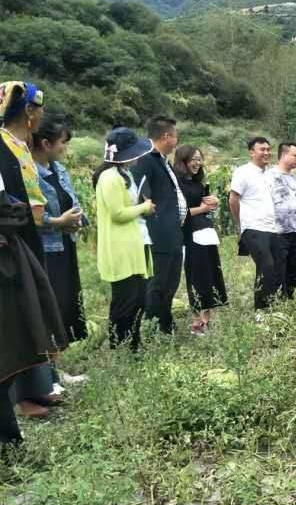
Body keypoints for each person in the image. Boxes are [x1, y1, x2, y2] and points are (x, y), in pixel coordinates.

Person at [0, 81, 68, 430]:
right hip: (14, 242)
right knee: (20, 316)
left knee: (35, 313)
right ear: (29, 111)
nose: (41, 115)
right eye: (38, 109)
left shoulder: (21, 146)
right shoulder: (3, 147)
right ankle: (22, 396)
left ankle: (39, 387)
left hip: (31, 237)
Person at [94, 128, 156, 351]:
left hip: (134, 244)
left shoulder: (124, 174)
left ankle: (133, 344)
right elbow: (117, 214)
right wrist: (144, 207)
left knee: (139, 299)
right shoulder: (109, 178)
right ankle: (120, 347)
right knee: (125, 301)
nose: (138, 156)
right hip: (120, 248)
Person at [32, 115, 88, 343]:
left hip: (66, 244)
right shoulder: (29, 174)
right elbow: (30, 215)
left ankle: (58, 365)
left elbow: (73, 203)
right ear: (46, 144)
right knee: (49, 304)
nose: (65, 148)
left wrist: (77, 219)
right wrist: (58, 222)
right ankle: (50, 370)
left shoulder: (60, 170)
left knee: (65, 301)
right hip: (46, 249)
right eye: (63, 142)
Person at [131, 116, 186, 334]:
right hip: (158, 233)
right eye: (175, 136)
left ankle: (165, 320)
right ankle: (154, 325)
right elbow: (139, 194)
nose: (176, 141)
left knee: (171, 280)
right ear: (166, 136)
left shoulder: (161, 160)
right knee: (159, 281)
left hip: (172, 231)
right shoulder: (145, 159)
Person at [173, 145, 227, 335]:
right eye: (193, 159)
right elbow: (177, 214)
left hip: (206, 233)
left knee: (212, 276)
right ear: (183, 161)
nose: (197, 163)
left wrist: (213, 203)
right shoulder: (177, 184)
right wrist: (203, 208)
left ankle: (207, 319)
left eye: (199, 159)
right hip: (190, 236)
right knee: (197, 278)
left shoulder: (198, 183)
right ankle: (197, 322)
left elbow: (205, 205)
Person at [229, 137, 287, 310]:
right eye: (262, 149)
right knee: (266, 265)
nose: (267, 153)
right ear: (251, 152)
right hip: (253, 227)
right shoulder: (242, 172)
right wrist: (240, 225)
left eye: (269, 149)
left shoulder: (269, 174)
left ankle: (275, 307)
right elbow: (233, 200)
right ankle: (261, 311)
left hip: (272, 228)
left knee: (278, 267)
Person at [267, 142, 296, 301]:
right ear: (283, 155)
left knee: (294, 269)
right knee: (278, 269)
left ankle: (289, 298)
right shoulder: (269, 176)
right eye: (295, 155)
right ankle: (276, 301)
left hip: (295, 230)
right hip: (277, 231)